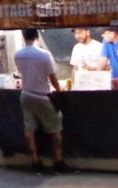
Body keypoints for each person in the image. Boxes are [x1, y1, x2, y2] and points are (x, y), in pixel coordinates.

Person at [15, 28, 75, 174]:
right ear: (37, 36)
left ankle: (35, 162)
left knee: (29, 131)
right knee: (55, 130)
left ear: (23, 36)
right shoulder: (44, 55)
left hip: (26, 95)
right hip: (42, 97)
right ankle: (58, 162)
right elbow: (52, 78)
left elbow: (23, 74)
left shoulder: (18, 55)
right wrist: (60, 90)